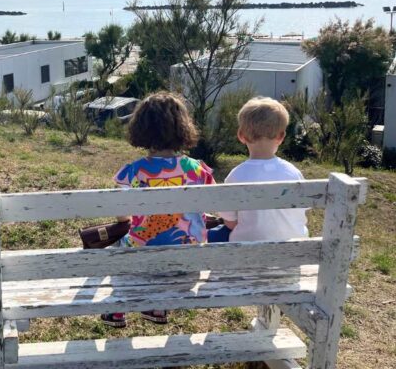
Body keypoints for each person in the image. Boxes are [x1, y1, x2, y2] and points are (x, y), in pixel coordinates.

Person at [102, 91, 215, 328]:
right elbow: (213, 206)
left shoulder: (134, 171)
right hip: (189, 262)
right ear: (183, 128)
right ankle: (156, 308)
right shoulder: (198, 170)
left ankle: (117, 307)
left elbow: (122, 214)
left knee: (120, 243)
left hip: (143, 260)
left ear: (141, 129)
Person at [215, 96, 308, 242]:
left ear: (241, 135)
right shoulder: (293, 172)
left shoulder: (236, 176)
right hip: (292, 254)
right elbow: (301, 212)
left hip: (247, 256)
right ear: (281, 136)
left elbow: (230, 222)